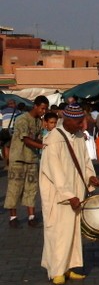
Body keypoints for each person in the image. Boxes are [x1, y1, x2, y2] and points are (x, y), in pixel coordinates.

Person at [39, 103, 99, 284]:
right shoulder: (53, 139)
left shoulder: (80, 137)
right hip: (58, 196)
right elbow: (54, 170)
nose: (82, 125)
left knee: (73, 232)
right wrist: (69, 195)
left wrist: (91, 177)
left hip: (76, 193)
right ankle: (57, 270)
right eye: (79, 122)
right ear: (67, 120)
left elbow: (85, 161)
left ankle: (70, 267)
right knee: (58, 232)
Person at [4, 96, 48, 227]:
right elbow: (26, 139)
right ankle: (13, 217)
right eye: (42, 108)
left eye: (45, 109)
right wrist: (42, 146)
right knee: (14, 188)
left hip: (32, 159)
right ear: (35, 106)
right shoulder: (22, 119)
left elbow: (40, 137)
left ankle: (31, 216)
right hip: (18, 158)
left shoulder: (39, 122)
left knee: (32, 188)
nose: (43, 111)